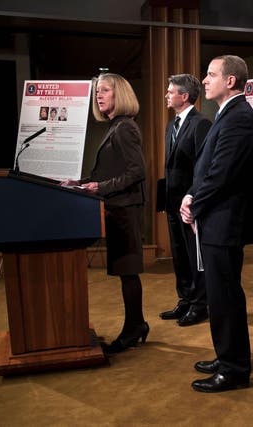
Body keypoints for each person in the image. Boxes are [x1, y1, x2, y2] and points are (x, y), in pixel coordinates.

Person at [180, 55, 253, 393]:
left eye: (212, 74)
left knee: (225, 296)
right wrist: (191, 195)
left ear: (231, 81)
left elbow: (221, 175)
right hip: (216, 219)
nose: (204, 80)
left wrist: (194, 205)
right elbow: (207, 169)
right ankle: (227, 355)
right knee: (220, 296)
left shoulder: (240, 118)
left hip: (223, 222)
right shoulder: (227, 115)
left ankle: (233, 369)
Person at [61, 73, 148, 354]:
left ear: (119, 94)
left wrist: (100, 187)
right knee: (125, 273)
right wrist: (82, 182)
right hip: (115, 208)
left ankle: (134, 328)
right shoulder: (115, 126)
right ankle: (138, 325)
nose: (99, 96)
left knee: (128, 273)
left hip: (125, 210)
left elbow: (137, 172)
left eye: (105, 90)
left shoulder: (125, 128)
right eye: (97, 91)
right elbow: (109, 171)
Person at [159, 74, 211, 326]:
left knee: (194, 256)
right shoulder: (172, 125)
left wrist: (193, 199)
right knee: (179, 256)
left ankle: (201, 304)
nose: (167, 95)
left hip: (191, 205)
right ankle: (186, 299)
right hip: (171, 203)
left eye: (171, 92)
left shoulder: (201, 124)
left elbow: (203, 167)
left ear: (184, 96)